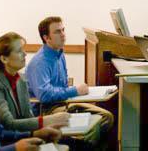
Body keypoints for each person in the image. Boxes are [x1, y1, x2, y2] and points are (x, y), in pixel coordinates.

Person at [26, 17, 113, 149]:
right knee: (92, 125)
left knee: (106, 117)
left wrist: (74, 91)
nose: (63, 34)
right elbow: (44, 95)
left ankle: (86, 146)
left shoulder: (59, 53)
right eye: (57, 32)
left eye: (63, 30)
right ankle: (82, 146)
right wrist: (75, 91)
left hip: (63, 103)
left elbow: (62, 86)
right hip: (46, 110)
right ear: (46, 38)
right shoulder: (40, 62)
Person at [0, 32, 70, 132]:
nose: (25, 53)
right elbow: (7, 124)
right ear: (4, 59)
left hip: (26, 137)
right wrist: (48, 120)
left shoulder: (21, 79)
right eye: (19, 51)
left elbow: (27, 116)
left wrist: (45, 130)